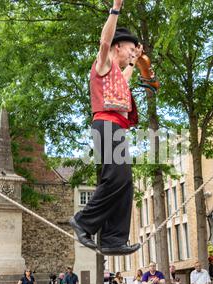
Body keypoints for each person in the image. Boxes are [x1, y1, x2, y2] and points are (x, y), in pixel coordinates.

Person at [69, 0, 143, 256]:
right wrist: (116, 8)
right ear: (118, 46)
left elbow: (124, 80)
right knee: (117, 178)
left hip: (117, 129)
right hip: (106, 126)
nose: (131, 53)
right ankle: (83, 221)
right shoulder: (103, 63)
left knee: (125, 182)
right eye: (130, 50)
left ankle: (113, 239)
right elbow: (104, 42)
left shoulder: (117, 74)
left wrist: (133, 62)